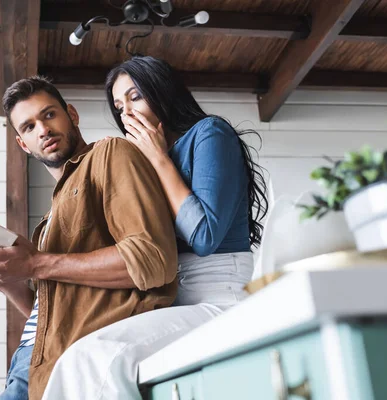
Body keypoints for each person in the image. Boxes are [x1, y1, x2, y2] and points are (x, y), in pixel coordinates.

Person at [35, 56, 269, 399]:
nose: (126, 112)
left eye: (134, 97)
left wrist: (159, 159)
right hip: (170, 302)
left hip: (220, 297)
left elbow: (204, 236)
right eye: (118, 106)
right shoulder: (138, 161)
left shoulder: (209, 134)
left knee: (94, 357)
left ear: (161, 91)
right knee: (75, 355)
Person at [0, 76, 179, 399]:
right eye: (29, 127)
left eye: (48, 115)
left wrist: (34, 263)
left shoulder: (109, 155)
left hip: (72, 363)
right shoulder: (52, 217)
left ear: (71, 115)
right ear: (23, 144)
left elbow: (153, 260)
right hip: (34, 365)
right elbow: (54, 311)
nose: (43, 130)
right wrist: (7, 281)